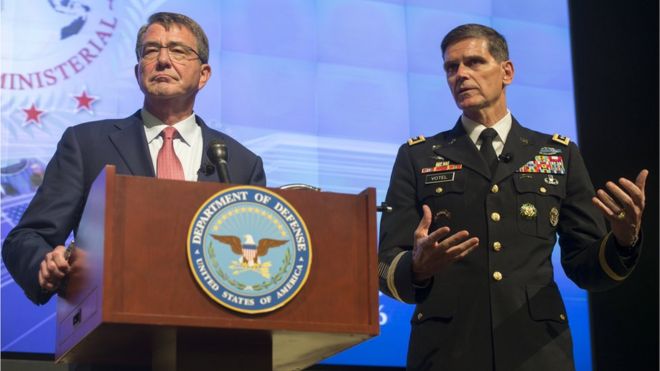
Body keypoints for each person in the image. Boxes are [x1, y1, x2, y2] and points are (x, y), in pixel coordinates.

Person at [378, 23, 647, 371]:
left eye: (474, 62)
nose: (460, 74)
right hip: (447, 351)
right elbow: (385, 263)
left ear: (507, 72)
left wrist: (624, 241)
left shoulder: (557, 153)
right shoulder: (418, 156)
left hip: (537, 350)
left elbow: (586, 268)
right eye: (451, 67)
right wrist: (415, 268)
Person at [3, 12, 266, 306]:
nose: (163, 60)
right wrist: (43, 263)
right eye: (151, 50)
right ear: (138, 70)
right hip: (113, 330)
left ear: (203, 74)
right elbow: (27, 237)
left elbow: (251, 263)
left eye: (178, 50)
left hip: (212, 336)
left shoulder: (241, 163)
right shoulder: (86, 144)